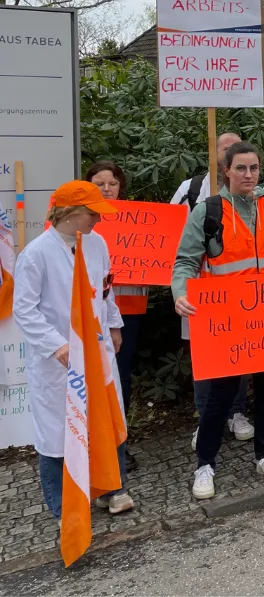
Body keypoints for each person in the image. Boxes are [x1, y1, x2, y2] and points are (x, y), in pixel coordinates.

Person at [172, 142, 264, 500]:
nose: (248, 175)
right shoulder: (208, 210)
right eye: (241, 168)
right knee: (220, 396)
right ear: (226, 171)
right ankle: (205, 464)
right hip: (227, 322)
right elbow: (185, 261)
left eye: (254, 168)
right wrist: (180, 293)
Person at [14, 180, 135, 516]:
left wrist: (114, 325)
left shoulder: (97, 243)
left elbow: (106, 289)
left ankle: (112, 488)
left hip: (97, 351)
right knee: (59, 430)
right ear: (69, 213)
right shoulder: (36, 254)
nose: (98, 219)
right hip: (59, 361)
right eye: (92, 213)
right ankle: (64, 505)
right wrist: (56, 345)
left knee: (107, 417)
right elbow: (24, 309)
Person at [172, 132, 254, 450]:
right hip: (202, 293)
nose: (230, 151)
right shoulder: (191, 190)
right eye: (224, 147)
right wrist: (180, 288)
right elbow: (172, 235)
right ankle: (207, 419)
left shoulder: (255, 196)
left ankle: (236, 413)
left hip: (241, 294)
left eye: (236, 147)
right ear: (215, 153)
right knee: (205, 359)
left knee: (241, 354)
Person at [84, 161, 146, 472]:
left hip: (128, 312)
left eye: (113, 183)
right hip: (89, 313)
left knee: (120, 378)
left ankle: (120, 443)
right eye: (100, 184)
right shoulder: (81, 220)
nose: (107, 189)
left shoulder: (141, 220)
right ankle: (91, 444)